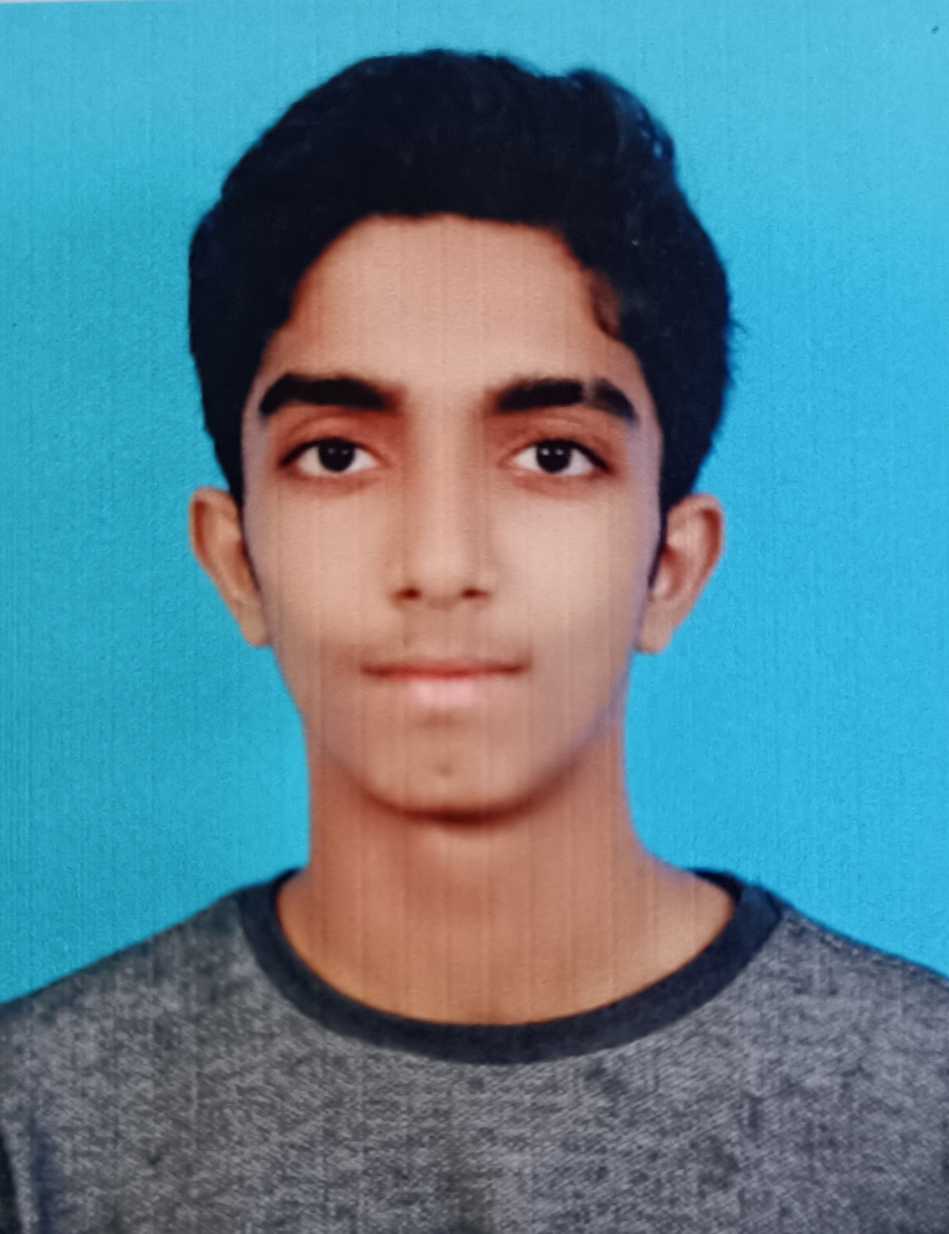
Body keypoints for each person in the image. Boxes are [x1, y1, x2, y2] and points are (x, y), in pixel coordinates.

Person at [2, 48, 947, 1232]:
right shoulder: (36, 1130)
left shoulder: (922, 1119)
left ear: (671, 566)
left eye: (552, 454)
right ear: (237, 561)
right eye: (337, 453)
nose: (443, 560)